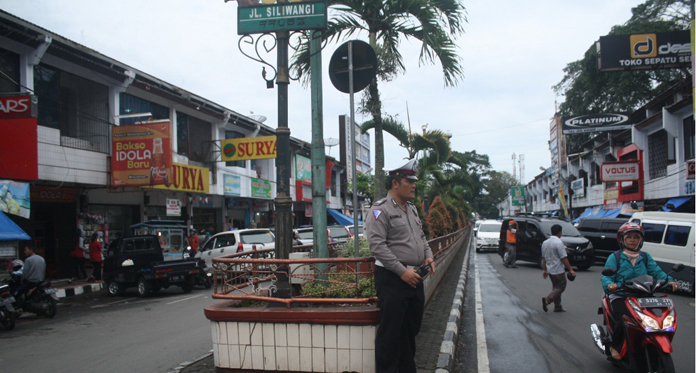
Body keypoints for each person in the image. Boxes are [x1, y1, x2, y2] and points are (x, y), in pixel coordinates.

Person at [365, 159, 436, 373]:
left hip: (414, 278)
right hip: (392, 278)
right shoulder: (380, 210)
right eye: (409, 181)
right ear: (396, 183)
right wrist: (402, 272)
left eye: (414, 180)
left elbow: (421, 237)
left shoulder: (411, 209)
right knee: (391, 333)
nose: (414, 185)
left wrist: (429, 256)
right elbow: (377, 246)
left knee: (410, 330)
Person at [601, 222, 678, 360]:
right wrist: (611, 284)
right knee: (623, 317)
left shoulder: (645, 257)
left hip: (642, 295)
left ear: (640, 240)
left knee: (658, 317)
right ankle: (615, 346)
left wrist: (670, 281)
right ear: (622, 240)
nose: (632, 240)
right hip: (621, 295)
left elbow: (657, 272)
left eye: (636, 237)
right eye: (629, 237)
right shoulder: (615, 257)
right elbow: (606, 276)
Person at [541, 224, 575, 313]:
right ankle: (548, 299)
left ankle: (558, 306)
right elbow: (563, 257)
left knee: (556, 288)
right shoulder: (558, 243)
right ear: (560, 232)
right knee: (561, 287)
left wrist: (545, 270)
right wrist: (571, 269)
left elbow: (544, 258)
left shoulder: (545, 243)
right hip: (558, 270)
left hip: (550, 269)